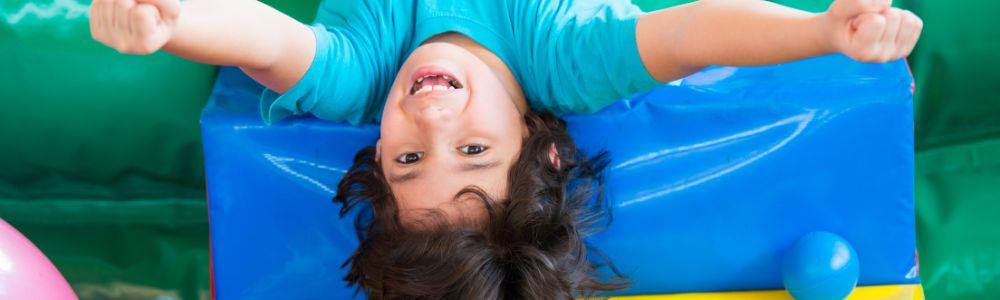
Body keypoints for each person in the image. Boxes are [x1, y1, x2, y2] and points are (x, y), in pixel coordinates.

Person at [90, 0, 922, 298]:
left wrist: (171, 21)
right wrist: (821, 31)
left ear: (374, 160)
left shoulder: (358, 74)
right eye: (476, 150)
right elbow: (696, 33)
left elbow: (264, 40)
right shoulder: (567, 53)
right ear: (542, 151)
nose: (431, 124)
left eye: (408, 161)